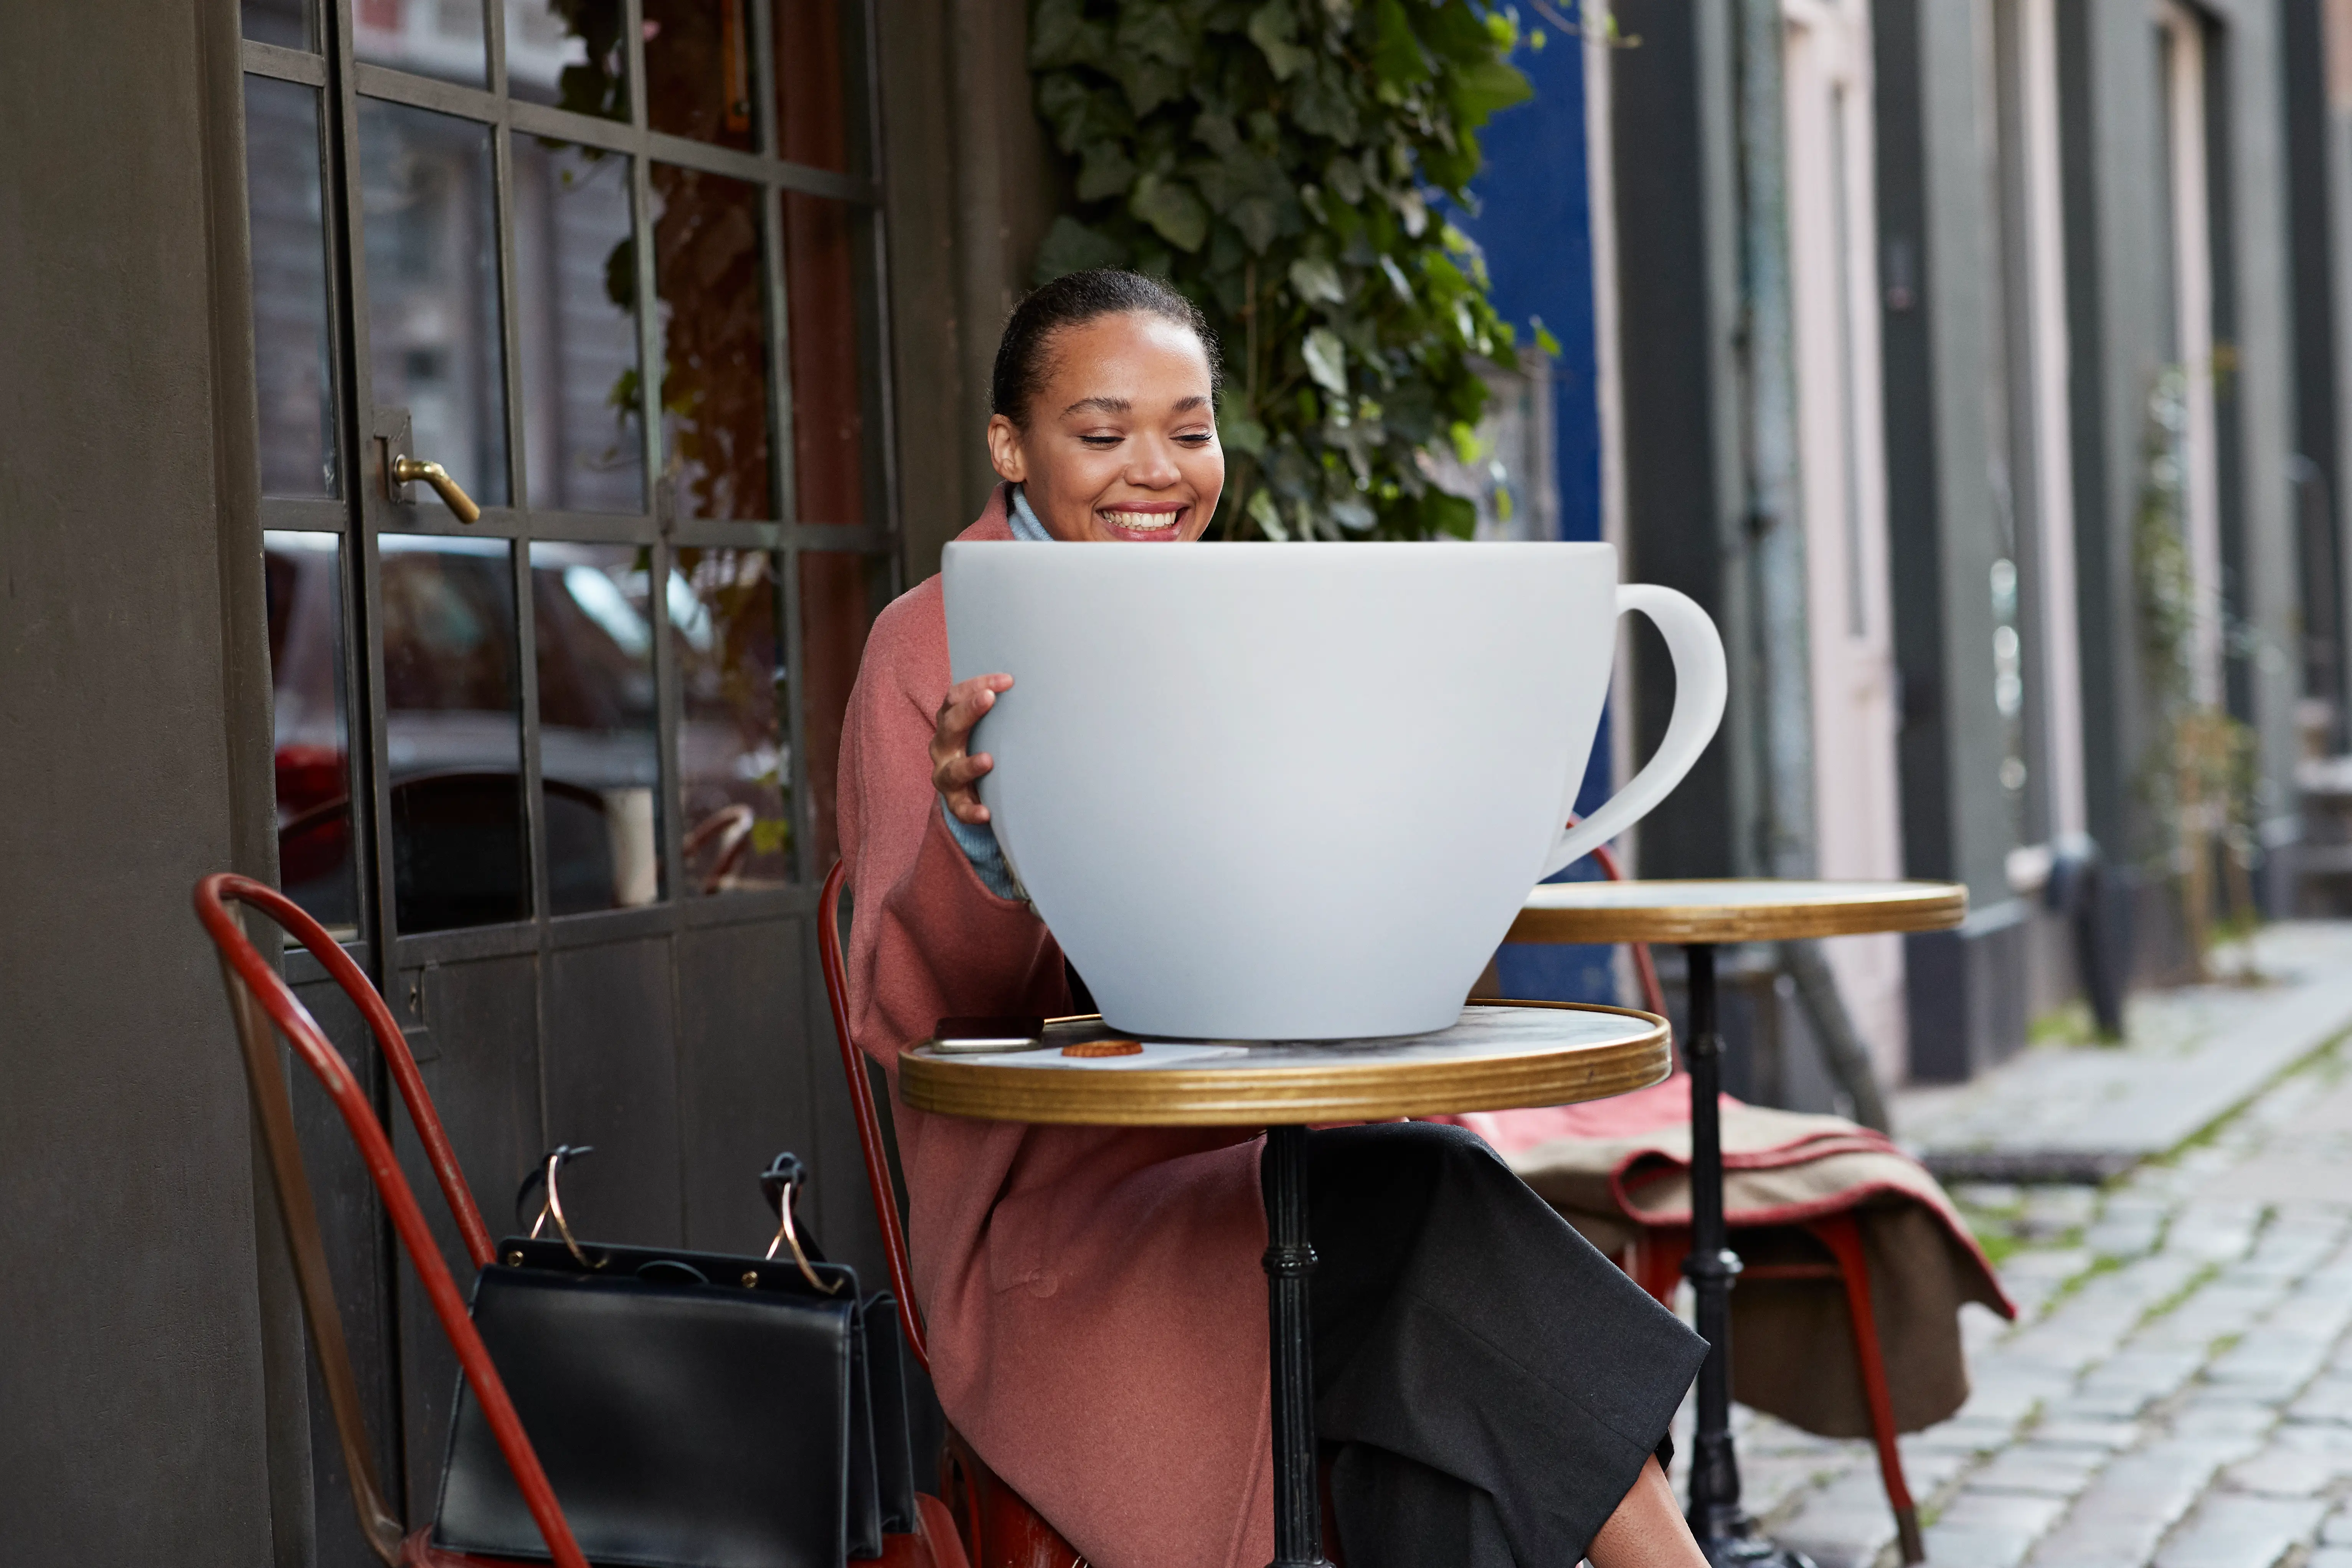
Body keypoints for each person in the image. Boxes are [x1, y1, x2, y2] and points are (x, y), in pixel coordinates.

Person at [836, 268, 1710, 1568]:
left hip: (1292, 1146)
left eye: (1190, 430)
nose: (1157, 470)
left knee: (1432, 1275)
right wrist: (980, 847)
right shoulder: (929, 650)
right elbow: (916, 1021)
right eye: (1102, 432)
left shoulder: (1238, 616)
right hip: (1072, 1228)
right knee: (1436, 1229)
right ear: (1012, 448)